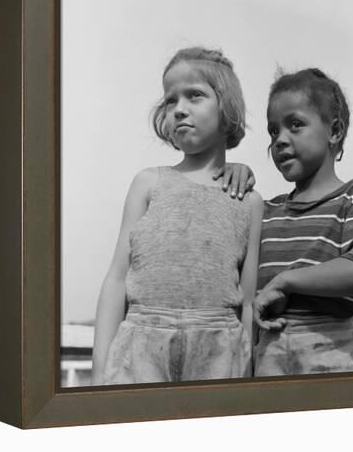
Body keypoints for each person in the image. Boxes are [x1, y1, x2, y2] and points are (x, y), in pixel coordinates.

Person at [91, 47, 264, 385]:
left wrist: (248, 379)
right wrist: (99, 371)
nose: (180, 109)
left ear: (226, 105)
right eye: (171, 101)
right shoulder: (148, 183)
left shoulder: (249, 201)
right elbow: (116, 279)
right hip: (141, 344)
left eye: (194, 95)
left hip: (220, 350)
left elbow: (247, 300)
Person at [253, 68, 353, 376]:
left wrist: (286, 281)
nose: (280, 140)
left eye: (295, 125)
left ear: (334, 131)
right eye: (273, 131)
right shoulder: (265, 211)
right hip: (268, 356)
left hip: (337, 352)